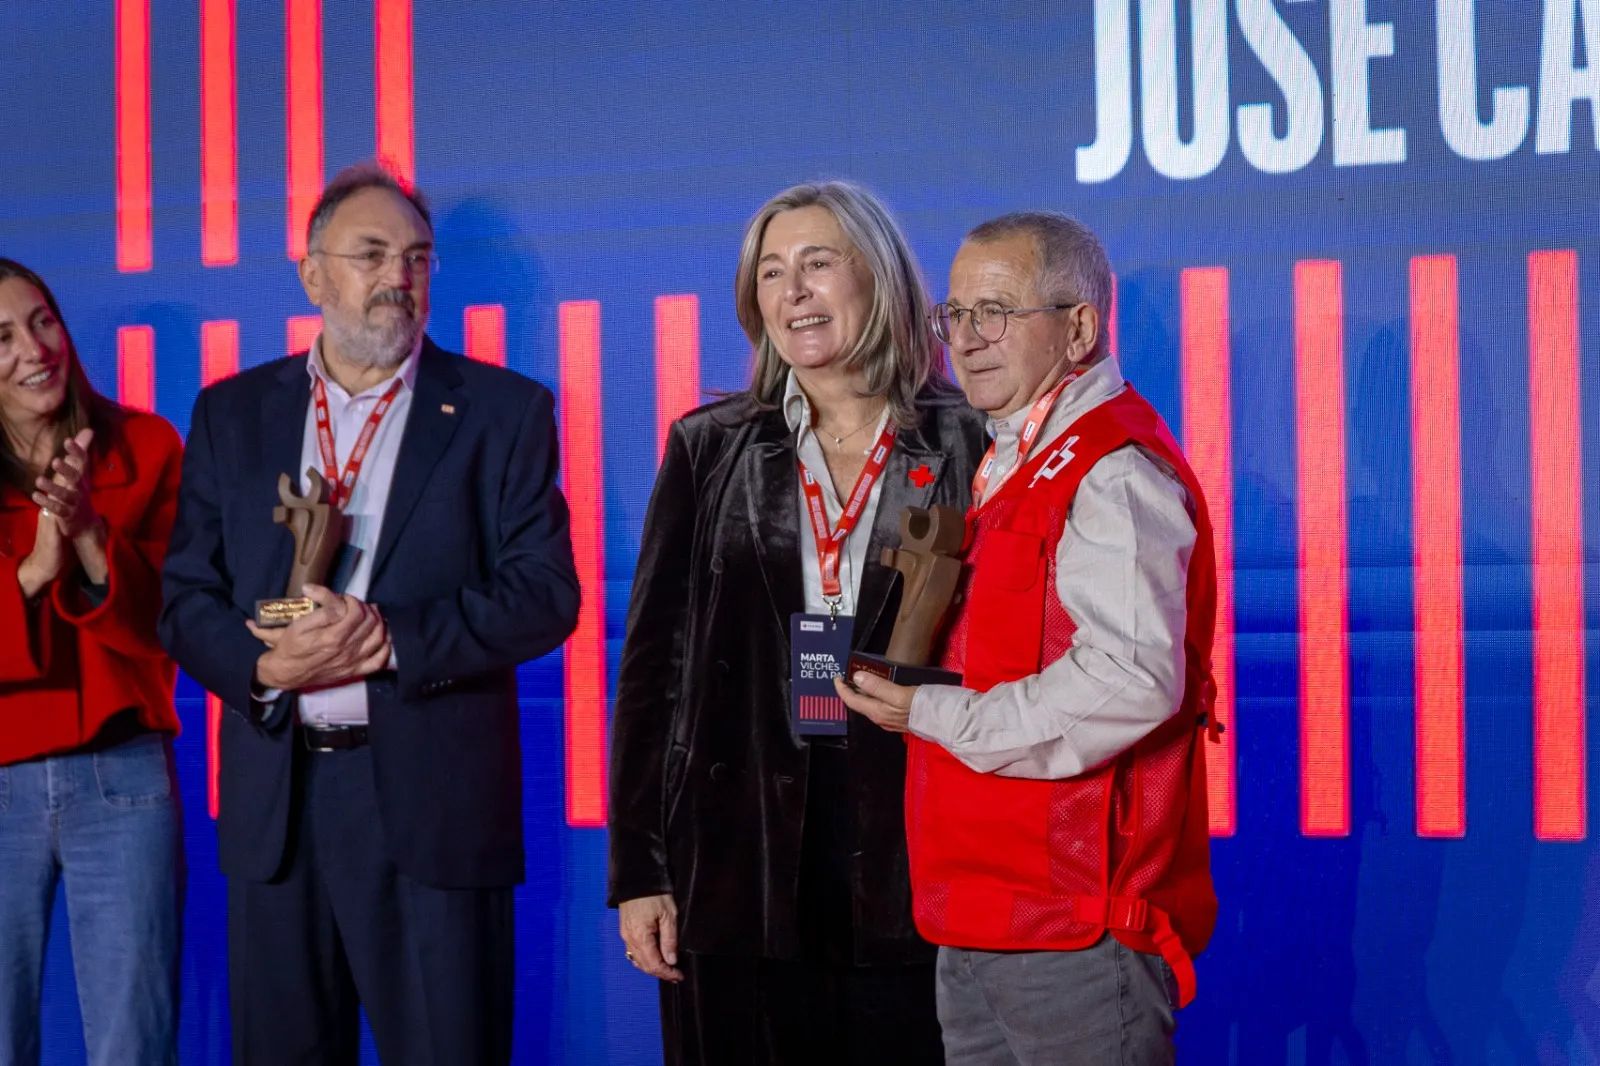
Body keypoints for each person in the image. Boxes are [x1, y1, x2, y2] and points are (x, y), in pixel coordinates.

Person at [159, 161, 580, 1065]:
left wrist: (388, 639)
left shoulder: (504, 412)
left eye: (419, 258)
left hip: (433, 807)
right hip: (280, 811)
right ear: (312, 274)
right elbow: (185, 596)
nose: (401, 277)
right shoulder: (232, 413)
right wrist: (261, 667)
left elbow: (545, 596)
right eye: (374, 253)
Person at [608, 181, 987, 1064]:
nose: (793, 292)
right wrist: (643, 874)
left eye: (818, 264)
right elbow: (653, 672)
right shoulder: (710, 446)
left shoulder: (971, 440)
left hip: (917, 851)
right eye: (771, 274)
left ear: (882, 279)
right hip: (736, 862)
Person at [837, 211, 1220, 1065]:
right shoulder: (1009, 454)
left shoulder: (1112, 469)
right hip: (978, 915)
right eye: (956, 315)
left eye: (997, 312)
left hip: (1074, 930)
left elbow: (1130, 679)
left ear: (1078, 326)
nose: (967, 340)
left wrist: (937, 714)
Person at [0, 259, 184, 1065]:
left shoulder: (146, 444)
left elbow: (173, 622)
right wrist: (34, 574)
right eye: (0, 337)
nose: (35, 348)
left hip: (122, 772)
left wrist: (86, 538)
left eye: (43, 320)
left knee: (131, 1041)